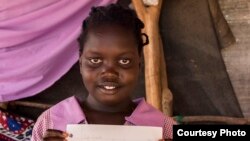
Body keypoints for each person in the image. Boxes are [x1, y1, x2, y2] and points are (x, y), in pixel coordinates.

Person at [31, 4, 176, 141]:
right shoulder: (51, 122)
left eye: (124, 61)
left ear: (138, 64)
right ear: (81, 63)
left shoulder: (165, 128)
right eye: (95, 61)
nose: (109, 73)